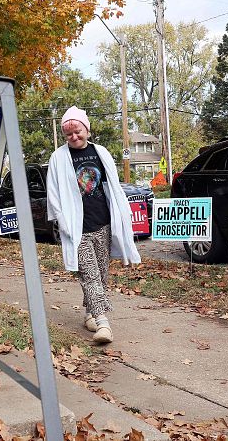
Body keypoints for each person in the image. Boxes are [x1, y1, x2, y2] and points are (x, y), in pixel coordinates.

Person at [46, 106, 140, 344]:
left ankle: (89, 312)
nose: (74, 137)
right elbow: (54, 194)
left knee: (101, 275)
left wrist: (122, 215)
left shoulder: (101, 152)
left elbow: (113, 188)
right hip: (77, 229)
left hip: (103, 223)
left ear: (86, 129)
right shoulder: (58, 158)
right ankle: (103, 323)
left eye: (77, 131)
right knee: (89, 274)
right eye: (69, 135)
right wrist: (62, 221)